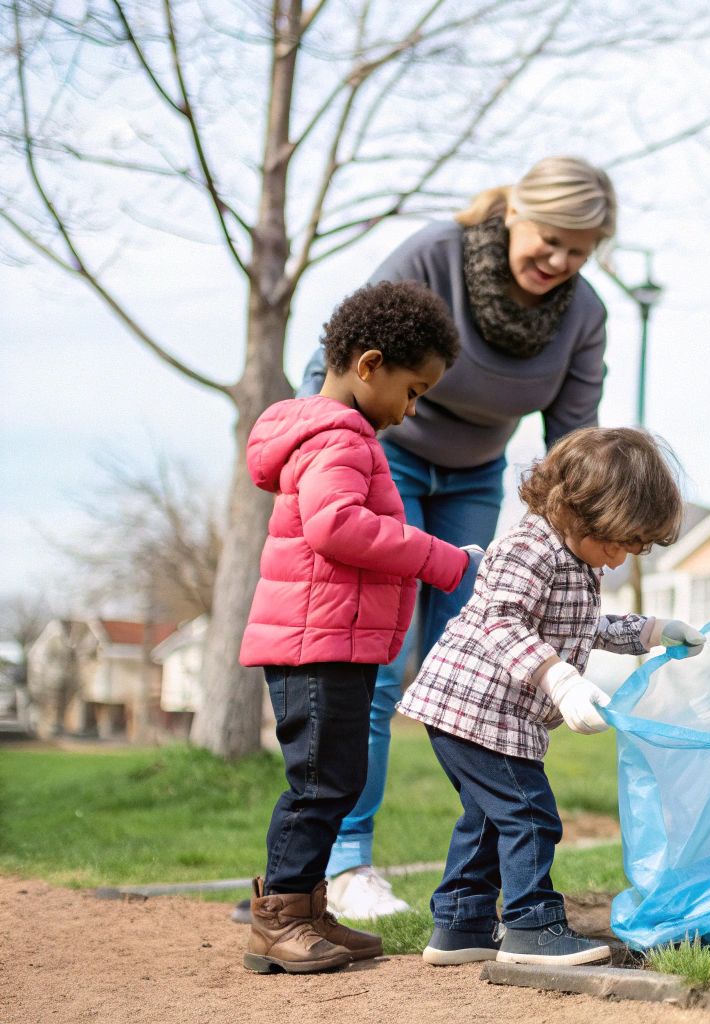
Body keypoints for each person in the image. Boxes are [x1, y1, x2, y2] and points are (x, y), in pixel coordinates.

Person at [290, 156, 618, 920]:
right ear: (514, 215)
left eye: (580, 249)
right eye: (549, 240)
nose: (560, 262)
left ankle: (477, 873)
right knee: (379, 656)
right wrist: (325, 456)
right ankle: (348, 861)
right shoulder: (434, 256)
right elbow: (333, 361)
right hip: (382, 458)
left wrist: (577, 551)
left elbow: (574, 444)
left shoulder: (584, 314)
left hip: (474, 478)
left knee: (483, 668)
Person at [399, 427, 708, 967]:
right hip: (474, 709)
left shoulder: (575, 559)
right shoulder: (528, 547)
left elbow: (584, 626)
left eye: (631, 550)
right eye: (616, 544)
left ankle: (461, 925)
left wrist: (654, 631)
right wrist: (559, 679)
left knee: (488, 818)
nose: (617, 560)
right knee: (530, 815)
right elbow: (502, 618)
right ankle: (531, 926)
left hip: (484, 714)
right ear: (578, 510)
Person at [239, 281, 476, 973]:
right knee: (320, 783)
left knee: (335, 778)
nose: (412, 408)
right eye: (413, 389)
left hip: (330, 641)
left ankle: (307, 909)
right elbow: (336, 526)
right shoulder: (338, 437)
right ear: (368, 365)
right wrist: (438, 558)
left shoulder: (339, 435)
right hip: (314, 647)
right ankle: (279, 914)